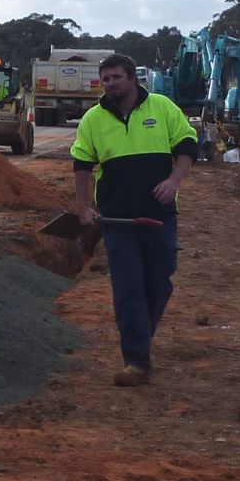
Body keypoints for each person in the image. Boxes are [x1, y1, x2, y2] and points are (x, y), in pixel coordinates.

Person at [71, 53, 198, 387]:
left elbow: (188, 147)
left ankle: (141, 333)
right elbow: (82, 166)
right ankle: (136, 361)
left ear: (132, 78)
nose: (110, 83)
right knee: (128, 289)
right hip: (117, 221)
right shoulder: (92, 120)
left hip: (159, 218)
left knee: (159, 282)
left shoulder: (162, 108)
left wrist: (173, 182)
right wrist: (84, 207)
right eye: (105, 79)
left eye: (116, 77)